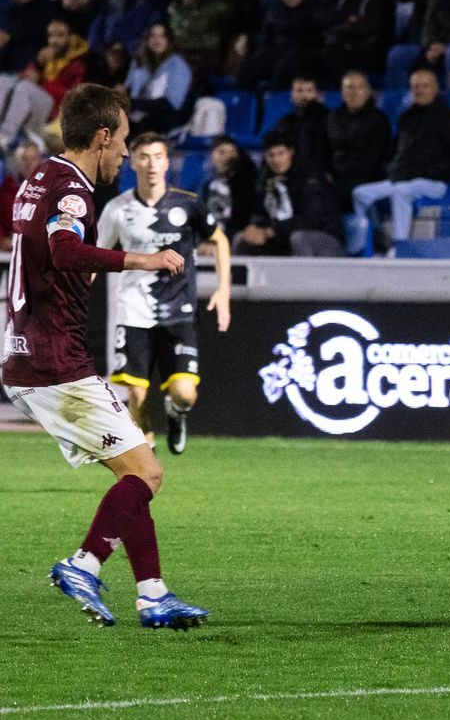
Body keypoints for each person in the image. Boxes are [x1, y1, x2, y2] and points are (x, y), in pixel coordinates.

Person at [2, 84, 208, 629]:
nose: (123, 155)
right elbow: (66, 250)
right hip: (53, 358)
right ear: (100, 137)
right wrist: (144, 260)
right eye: (120, 144)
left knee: (132, 468)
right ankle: (84, 564)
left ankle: (153, 594)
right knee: (148, 472)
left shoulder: (40, 176)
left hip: (27, 353)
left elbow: (52, 252)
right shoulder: (73, 188)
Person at [98, 133, 229, 455]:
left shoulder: (188, 203)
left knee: (185, 394)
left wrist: (223, 291)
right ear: (134, 162)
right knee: (136, 396)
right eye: (144, 156)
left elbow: (220, 241)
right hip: (132, 310)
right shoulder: (118, 209)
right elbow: (96, 255)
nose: (151, 164)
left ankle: (176, 413)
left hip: (179, 311)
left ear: (167, 162)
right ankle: (147, 447)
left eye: (158, 156)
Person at [352, 68, 450, 246]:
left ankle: (400, 246)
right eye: (415, 87)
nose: (420, 90)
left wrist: (429, 171)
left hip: (434, 182)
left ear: (435, 88)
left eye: (424, 86)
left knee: (401, 192)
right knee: (360, 194)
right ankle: (374, 241)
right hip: (402, 178)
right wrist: (392, 169)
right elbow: (395, 150)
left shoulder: (448, 117)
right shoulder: (406, 117)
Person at [232, 130, 345, 257]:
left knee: (299, 238)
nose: (276, 160)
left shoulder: (310, 177)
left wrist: (271, 231)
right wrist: (254, 229)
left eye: (281, 153)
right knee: (242, 239)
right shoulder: (265, 180)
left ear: (290, 152)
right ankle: (234, 277)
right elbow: (261, 214)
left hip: (324, 238)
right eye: (271, 155)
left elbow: (311, 219)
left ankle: (301, 277)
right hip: (282, 237)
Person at [321, 0, 396, 81]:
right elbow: (323, 19)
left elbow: (370, 28)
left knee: (332, 51)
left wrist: (339, 27)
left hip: (374, 50)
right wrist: (345, 19)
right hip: (347, 45)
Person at [325, 71, 392, 209]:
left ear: (368, 92)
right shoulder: (332, 118)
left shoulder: (378, 120)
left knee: (328, 194)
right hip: (336, 176)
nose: (354, 92)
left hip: (366, 178)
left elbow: (372, 161)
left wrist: (337, 176)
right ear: (342, 92)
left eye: (359, 87)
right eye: (349, 88)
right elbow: (324, 150)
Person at [123, 23, 192, 135]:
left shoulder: (177, 64)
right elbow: (128, 89)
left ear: (169, 40)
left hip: (163, 119)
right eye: (153, 36)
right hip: (134, 115)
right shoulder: (139, 61)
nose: (157, 40)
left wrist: (133, 104)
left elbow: (172, 104)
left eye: (162, 36)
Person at [26, 17, 88, 117]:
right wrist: (38, 64)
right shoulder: (46, 55)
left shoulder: (79, 62)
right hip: (36, 104)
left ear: (70, 38)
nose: (53, 41)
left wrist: (40, 82)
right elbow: (26, 77)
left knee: (23, 88)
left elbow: (70, 96)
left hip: (58, 112)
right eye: (51, 35)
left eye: (60, 35)